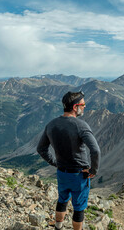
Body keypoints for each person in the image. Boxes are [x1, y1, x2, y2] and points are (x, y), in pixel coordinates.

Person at [37, 91, 100, 230]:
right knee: (78, 208)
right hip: (79, 174)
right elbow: (95, 150)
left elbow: (41, 149)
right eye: (82, 104)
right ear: (75, 107)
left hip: (62, 172)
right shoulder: (81, 126)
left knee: (62, 200)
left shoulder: (51, 124)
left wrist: (55, 162)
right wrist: (93, 170)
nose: (84, 107)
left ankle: (58, 227)